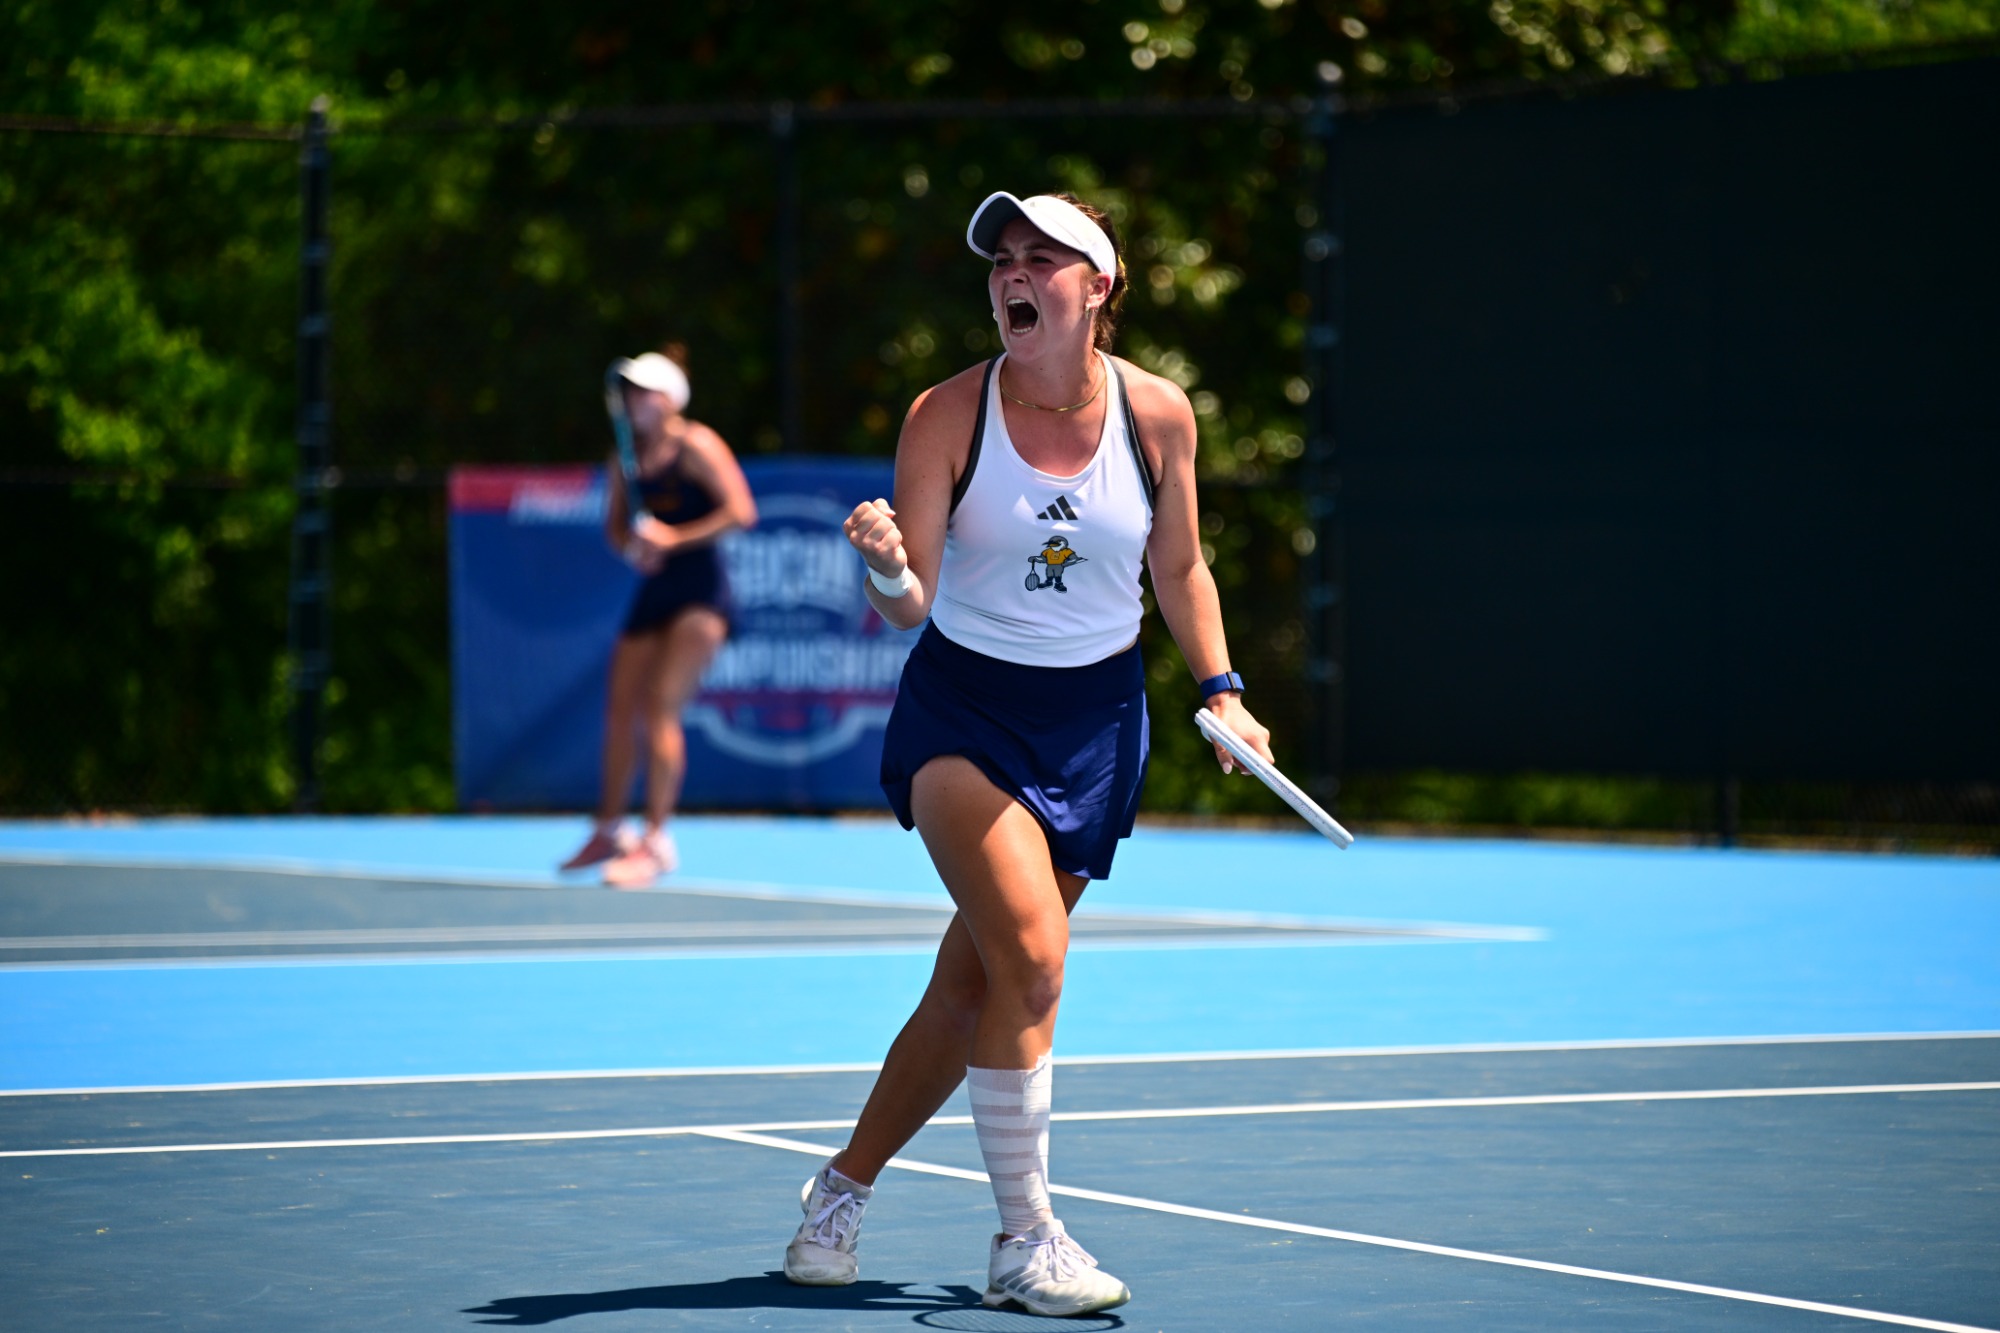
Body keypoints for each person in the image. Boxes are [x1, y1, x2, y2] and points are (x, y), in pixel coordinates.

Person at [781, 192, 1274, 1317]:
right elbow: (908, 602)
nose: (1013, 273)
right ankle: (1025, 1240)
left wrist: (1224, 692)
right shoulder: (946, 414)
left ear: (1097, 287)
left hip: (1097, 725)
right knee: (1036, 960)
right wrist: (884, 564)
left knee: (974, 986)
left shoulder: (1158, 415)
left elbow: (1180, 569)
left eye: (1041, 258)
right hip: (965, 715)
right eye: (1002, 258)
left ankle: (840, 1188)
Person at [558, 345, 757, 888]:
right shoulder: (622, 459)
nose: (632, 400)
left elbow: (741, 511)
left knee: (659, 709)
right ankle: (609, 830)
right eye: (629, 391)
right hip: (655, 590)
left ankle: (656, 841)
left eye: (644, 391)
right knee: (620, 710)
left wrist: (673, 538)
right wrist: (634, 549)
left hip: (702, 594)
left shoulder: (697, 444)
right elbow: (615, 529)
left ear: (670, 399)